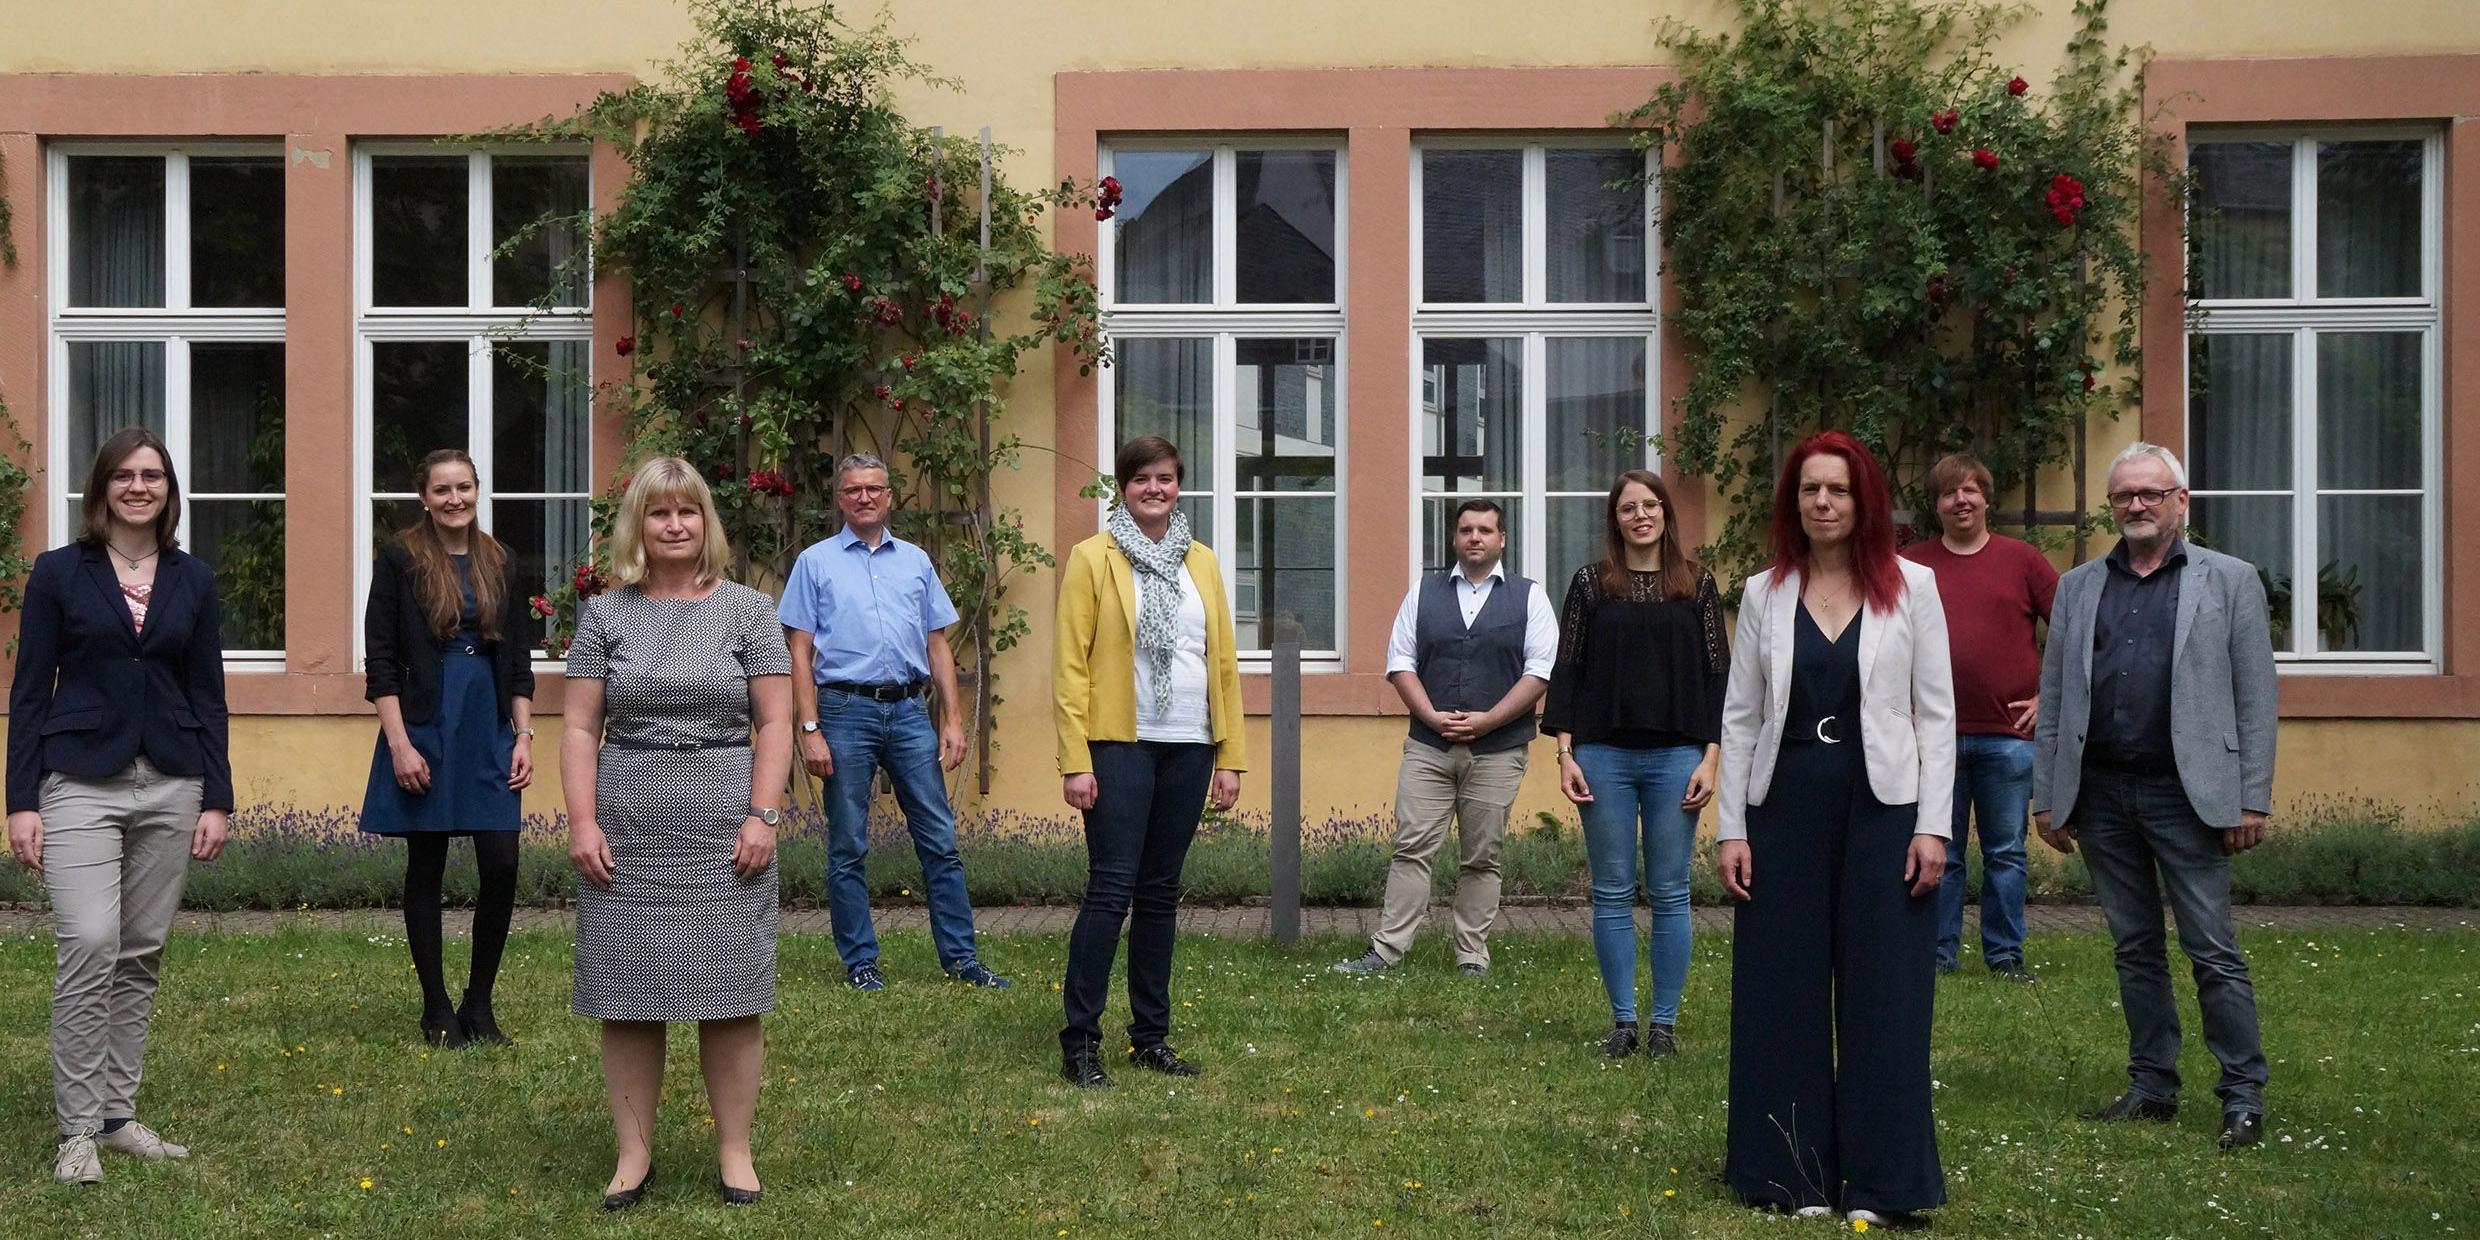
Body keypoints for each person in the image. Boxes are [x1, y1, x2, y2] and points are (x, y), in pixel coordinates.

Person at [1715, 431, 1954, 1225]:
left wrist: (1935, 827)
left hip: (1884, 810)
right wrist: (1731, 829)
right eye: (1811, 490)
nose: (1823, 503)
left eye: (1839, 491)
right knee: (1780, 990)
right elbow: (1741, 716)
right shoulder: (1763, 593)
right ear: (1795, 502)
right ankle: (1789, 1175)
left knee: (1886, 992)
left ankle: (1885, 1185)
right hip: (1782, 810)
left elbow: (1936, 716)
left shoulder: (1912, 587)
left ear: (1864, 502)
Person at [562, 456, 793, 1209]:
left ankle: (735, 1151)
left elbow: (775, 721)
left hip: (728, 825)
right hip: (626, 825)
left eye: (687, 512)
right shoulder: (603, 614)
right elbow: (577, 725)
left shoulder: (750, 612)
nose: (674, 525)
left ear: (705, 523)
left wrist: (763, 815)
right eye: (659, 513)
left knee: (730, 993)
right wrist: (583, 822)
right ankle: (633, 1157)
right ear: (638, 523)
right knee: (629, 995)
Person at [2032, 441, 2275, 1152]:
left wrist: (2251, 797)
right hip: (2101, 793)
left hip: (2188, 795)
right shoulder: (2078, 587)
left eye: (2149, 494)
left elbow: (2256, 697)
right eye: (2122, 496)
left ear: (2180, 502)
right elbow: (2055, 698)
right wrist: (2049, 793)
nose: (2135, 506)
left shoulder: (2230, 581)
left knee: (2212, 950)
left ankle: (2242, 1095)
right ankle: (2152, 1086)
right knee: (2134, 947)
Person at [7, 427, 232, 1185]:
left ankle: (115, 1115)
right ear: (101, 486)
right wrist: (21, 803)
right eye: (125, 475)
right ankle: (76, 1133)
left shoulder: (192, 579)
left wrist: (217, 797)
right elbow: (30, 691)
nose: (140, 486)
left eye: (154, 476)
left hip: (173, 778)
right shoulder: (58, 574)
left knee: (139, 951)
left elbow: (209, 694)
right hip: (78, 779)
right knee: (91, 942)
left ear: (170, 490)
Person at [1052, 436, 1244, 1087]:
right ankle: (1080, 1041)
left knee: (1160, 894)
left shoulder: (1204, 563)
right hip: (1118, 745)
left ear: (1179, 485)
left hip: (1189, 743)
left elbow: (1222, 663)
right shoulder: (1092, 559)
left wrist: (1230, 757)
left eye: (1165, 478)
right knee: (1111, 889)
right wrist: (1074, 760)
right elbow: (1070, 667)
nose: (1154, 489)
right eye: (1142, 480)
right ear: (1124, 487)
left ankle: (1150, 1037)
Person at [777, 453, 1008, 991]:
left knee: (939, 840)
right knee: (848, 843)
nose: (864, 498)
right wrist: (808, 729)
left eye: (874, 489)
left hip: (908, 712)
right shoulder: (815, 563)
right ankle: (861, 962)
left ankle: (962, 959)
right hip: (843, 710)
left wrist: (952, 719)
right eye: (854, 490)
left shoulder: (917, 563)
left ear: (889, 496)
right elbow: (799, 650)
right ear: (840, 499)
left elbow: (937, 644)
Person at [1540, 470, 1726, 1058]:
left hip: (1678, 756)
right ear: (1614, 519)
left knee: (1671, 892)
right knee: (1613, 890)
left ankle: (1663, 1025)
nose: (1641, 515)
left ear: (1666, 514)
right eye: (1629, 508)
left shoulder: (1696, 585)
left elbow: (1719, 677)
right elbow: (1566, 669)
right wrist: (1565, 753)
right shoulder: (1591, 586)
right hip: (1603, 756)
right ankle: (1623, 1022)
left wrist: (1712, 758)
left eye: (1650, 505)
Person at [1331, 498, 1556, 980]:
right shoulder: (1423, 592)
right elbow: (1400, 663)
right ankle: (1387, 951)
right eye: (1466, 530)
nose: (1475, 538)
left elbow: (1539, 672)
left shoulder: (1530, 596)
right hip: (1429, 748)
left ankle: (1472, 955)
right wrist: (1432, 716)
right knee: (1411, 848)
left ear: (1502, 540)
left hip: (1497, 750)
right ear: (1454, 539)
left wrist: (1488, 720)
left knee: (1482, 856)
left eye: (1485, 530)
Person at [359, 449, 537, 1048]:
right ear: (424, 497)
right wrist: (400, 744)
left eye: (464, 487)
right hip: (424, 724)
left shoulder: (500, 559)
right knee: (427, 864)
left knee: (502, 862)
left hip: (487, 724)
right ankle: (436, 1008)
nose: (454, 499)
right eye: (442, 490)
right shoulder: (400, 557)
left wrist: (524, 735)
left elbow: (516, 658)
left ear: (477, 491)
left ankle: (479, 1005)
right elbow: (379, 659)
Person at [1900, 453, 2058, 982]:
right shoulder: (1911, 565)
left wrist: (2048, 698)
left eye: (1970, 490)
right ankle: (1936, 954)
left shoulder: (2023, 561)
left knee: (2007, 853)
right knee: (1938, 851)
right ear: (1936, 504)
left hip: (2009, 737)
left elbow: (2073, 634)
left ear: (1987, 499)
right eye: (1949, 493)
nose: (1960, 500)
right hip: (1931, 739)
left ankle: (2005, 955)